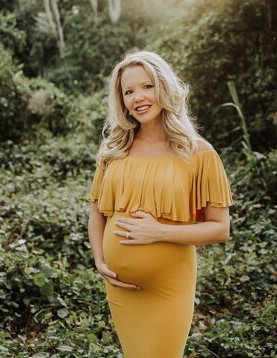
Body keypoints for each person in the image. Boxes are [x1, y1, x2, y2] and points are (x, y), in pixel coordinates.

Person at [86, 51, 233, 357]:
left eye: (147, 86)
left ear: (164, 87)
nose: (138, 97)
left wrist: (158, 232)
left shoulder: (198, 153)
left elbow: (220, 229)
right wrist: (100, 261)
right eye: (128, 91)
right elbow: (97, 213)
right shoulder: (114, 150)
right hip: (121, 289)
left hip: (169, 286)